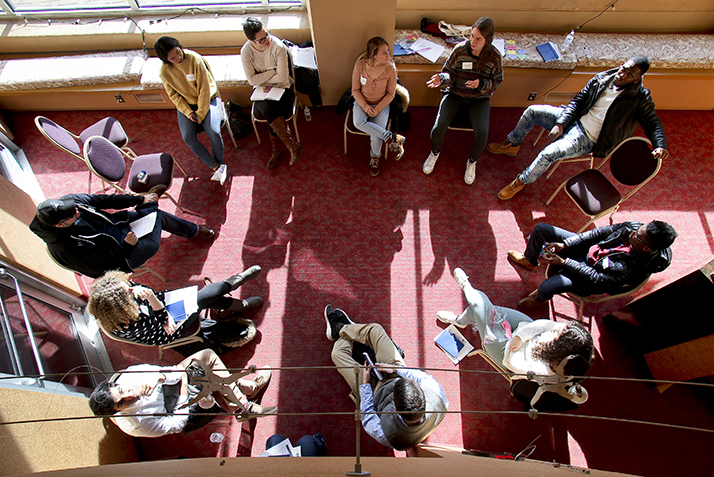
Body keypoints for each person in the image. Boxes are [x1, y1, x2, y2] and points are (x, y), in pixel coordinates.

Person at [489, 55, 669, 200]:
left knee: (547, 153)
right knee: (532, 111)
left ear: (637, 79)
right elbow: (579, 100)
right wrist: (561, 123)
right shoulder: (604, 77)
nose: (622, 75)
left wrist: (660, 144)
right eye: (623, 69)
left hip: (587, 138)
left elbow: (653, 122)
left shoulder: (640, 99)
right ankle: (512, 145)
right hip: (574, 120)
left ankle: (521, 181)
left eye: (630, 75)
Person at [325, 305, 448, 450]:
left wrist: (365, 386)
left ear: (395, 409)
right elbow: (418, 375)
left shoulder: (387, 434)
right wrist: (396, 369)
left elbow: (368, 416)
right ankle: (341, 329)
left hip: (374, 393)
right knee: (375, 330)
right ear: (424, 397)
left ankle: (347, 331)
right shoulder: (438, 396)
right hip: (395, 374)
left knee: (337, 354)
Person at [437, 268, 594, 378]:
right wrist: (520, 336)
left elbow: (514, 363)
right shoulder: (565, 334)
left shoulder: (544, 371)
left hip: (506, 351)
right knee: (483, 312)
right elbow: (543, 325)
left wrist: (515, 339)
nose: (559, 329)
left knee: (480, 307)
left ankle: (466, 286)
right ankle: (461, 321)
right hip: (524, 330)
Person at [88, 348, 277, 437]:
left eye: (121, 389)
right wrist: (185, 388)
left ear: (115, 383)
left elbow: (174, 371)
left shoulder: (129, 375)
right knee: (212, 382)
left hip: (174, 382)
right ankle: (247, 395)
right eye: (121, 402)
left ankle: (244, 401)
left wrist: (159, 377)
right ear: (118, 411)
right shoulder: (135, 425)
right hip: (184, 409)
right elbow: (177, 423)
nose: (129, 394)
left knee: (207, 357)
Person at [29, 193, 214, 278]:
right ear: (60, 224)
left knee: (154, 215)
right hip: (120, 257)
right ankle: (155, 211)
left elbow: (103, 200)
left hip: (120, 225)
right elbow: (102, 266)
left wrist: (139, 199)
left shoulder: (71, 203)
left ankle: (152, 208)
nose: (77, 210)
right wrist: (126, 245)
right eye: (73, 214)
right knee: (154, 229)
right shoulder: (66, 247)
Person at [507, 221, 677, 308]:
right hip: (587, 251)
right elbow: (598, 233)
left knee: (546, 287)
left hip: (588, 277)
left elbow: (597, 279)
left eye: (637, 235)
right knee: (541, 228)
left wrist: (564, 262)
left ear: (646, 247)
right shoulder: (634, 227)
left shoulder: (636, 268)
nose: (632, 231)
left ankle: (540, 299)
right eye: (638, 228)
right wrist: (566, 245)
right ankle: (530, 260)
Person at [88, 265, 263, 346]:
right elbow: (164, 321)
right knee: (200, 299)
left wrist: (144, 292)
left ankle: (238, 302)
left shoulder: (121, 293)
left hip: (162, 309)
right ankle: (234, 286)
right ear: (121, 306)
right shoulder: (128, 323)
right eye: (128, 293)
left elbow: (152, 293)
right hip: (166, 328)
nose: (132, 289)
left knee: (201, 299)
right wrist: (148, 296)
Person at [423, 17, 503, 185]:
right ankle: (434, 153)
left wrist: (480, 84)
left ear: (487, 40)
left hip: (479, 99)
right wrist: (441, 78)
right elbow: (448, 73)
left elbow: (497, 81)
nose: (473, 41)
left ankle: (472, 162)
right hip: (455, 94)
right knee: (438, 127)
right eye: (472, 35)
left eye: (478, 38)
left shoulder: (494, 56)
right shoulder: (460, 50)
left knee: (482, 132)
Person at [154, 36, 227, 185]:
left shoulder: (194, 59)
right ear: (166, 60)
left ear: (179, 46)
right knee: (188, 137)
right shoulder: (164, 71)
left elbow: (204, 89)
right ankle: (215, 166)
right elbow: (173, 95)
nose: (178, 58)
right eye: (172, 58)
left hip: (207, 99)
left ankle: (221, 163)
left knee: (213, 130)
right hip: (187, 104)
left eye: (178, 52)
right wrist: (187, 112)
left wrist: (200, 113)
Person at [241, 17, 302, 168]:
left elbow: (282, 78)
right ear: (252, 41)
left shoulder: (278, 47)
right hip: (261, 90)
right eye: (261, 39)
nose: (267, 39)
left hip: (283, 88)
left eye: (267, 34)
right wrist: (273, 71)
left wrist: (262, 77)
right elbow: (251, 80)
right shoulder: (246, 52)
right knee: (267, 107)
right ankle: (291, 145)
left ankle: (277, 150)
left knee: (269, 109)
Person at [351, 36, 406, 177]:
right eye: (384, 52)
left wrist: (378, 108)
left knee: (376, 135)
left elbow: (391, 94)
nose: (388, 55)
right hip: (362, 100)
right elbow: (355, 90)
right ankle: (392, 137)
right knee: (358, 122)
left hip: (381, 103)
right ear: (374, 55)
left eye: (388, 51)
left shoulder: (391, 70)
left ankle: (374, 158)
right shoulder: (360, 65)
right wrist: (365, 106)